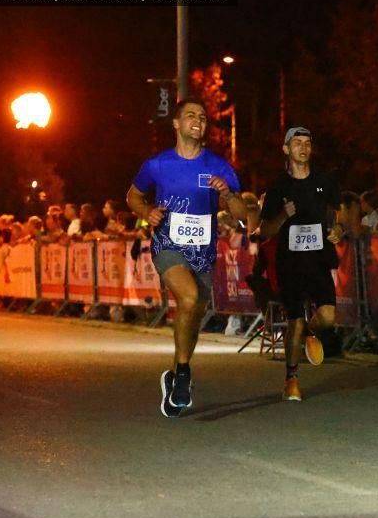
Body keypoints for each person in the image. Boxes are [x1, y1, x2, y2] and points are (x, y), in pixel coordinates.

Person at [126, 97, 248, 418]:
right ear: (176, 124)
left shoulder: (218, 166)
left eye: (203, 117)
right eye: (191, 115)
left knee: (193, 313)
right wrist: (147, 212)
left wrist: (227, 194)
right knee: (190, 296)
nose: (198, 121)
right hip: (168, 243)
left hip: (203, 251)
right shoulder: (157, 165)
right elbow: (133, 196)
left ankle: (176, 374)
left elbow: (241, 214)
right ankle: (183, 374)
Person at [258, 126, 343, 402]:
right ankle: (291, 379)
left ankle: (310, 330)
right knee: (294, 321)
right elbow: (265, 230)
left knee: (328, 317)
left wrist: (338, 230)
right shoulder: (278, 187)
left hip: (318, 261)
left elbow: (336, 215)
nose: (303, 148)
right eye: (297, 143)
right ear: (286, 149)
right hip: (290, 264)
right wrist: (283, 215)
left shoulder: (324, 181)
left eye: (307, 143)